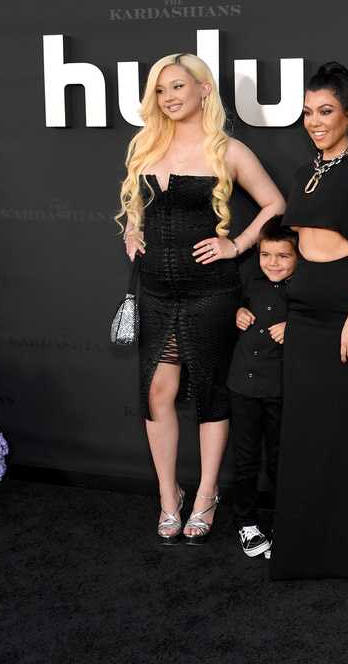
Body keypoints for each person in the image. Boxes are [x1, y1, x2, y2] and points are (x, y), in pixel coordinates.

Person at [117, 53, 285, 546]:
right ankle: (169, 496)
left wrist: (237, 244)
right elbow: (135, 205)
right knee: (158, 393)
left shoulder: (228, 149)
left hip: (211, 292)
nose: (168, 97)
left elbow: (275, 202)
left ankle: (207, 493)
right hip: (154, 292)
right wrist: (132, 228)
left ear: (203, 90)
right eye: (161, 90)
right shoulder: (145, 145)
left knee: (212, 395)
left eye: (177, 87)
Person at [270, 62, 348, 580]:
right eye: (307, 113)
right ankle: (302, 549)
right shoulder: (302, 173)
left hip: (343, 314)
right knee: (303, 431)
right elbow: (294, 246)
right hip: (304, 315)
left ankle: (347, 551)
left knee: (344, 434)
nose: (314, 122)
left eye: (326, 112)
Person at [226, 215, 297, 559]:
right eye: (267, 255)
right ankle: (246, 523)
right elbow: (235, 308)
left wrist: (295, 326)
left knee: (282, 460)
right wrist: (238, 312)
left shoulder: (303, 291)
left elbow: (323, 322)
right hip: (242, 385)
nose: (273, 263)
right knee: (245, 459)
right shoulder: (250, 279)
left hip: (280, 389)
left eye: (283, 256)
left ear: (297, 257)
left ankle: (286, 524)